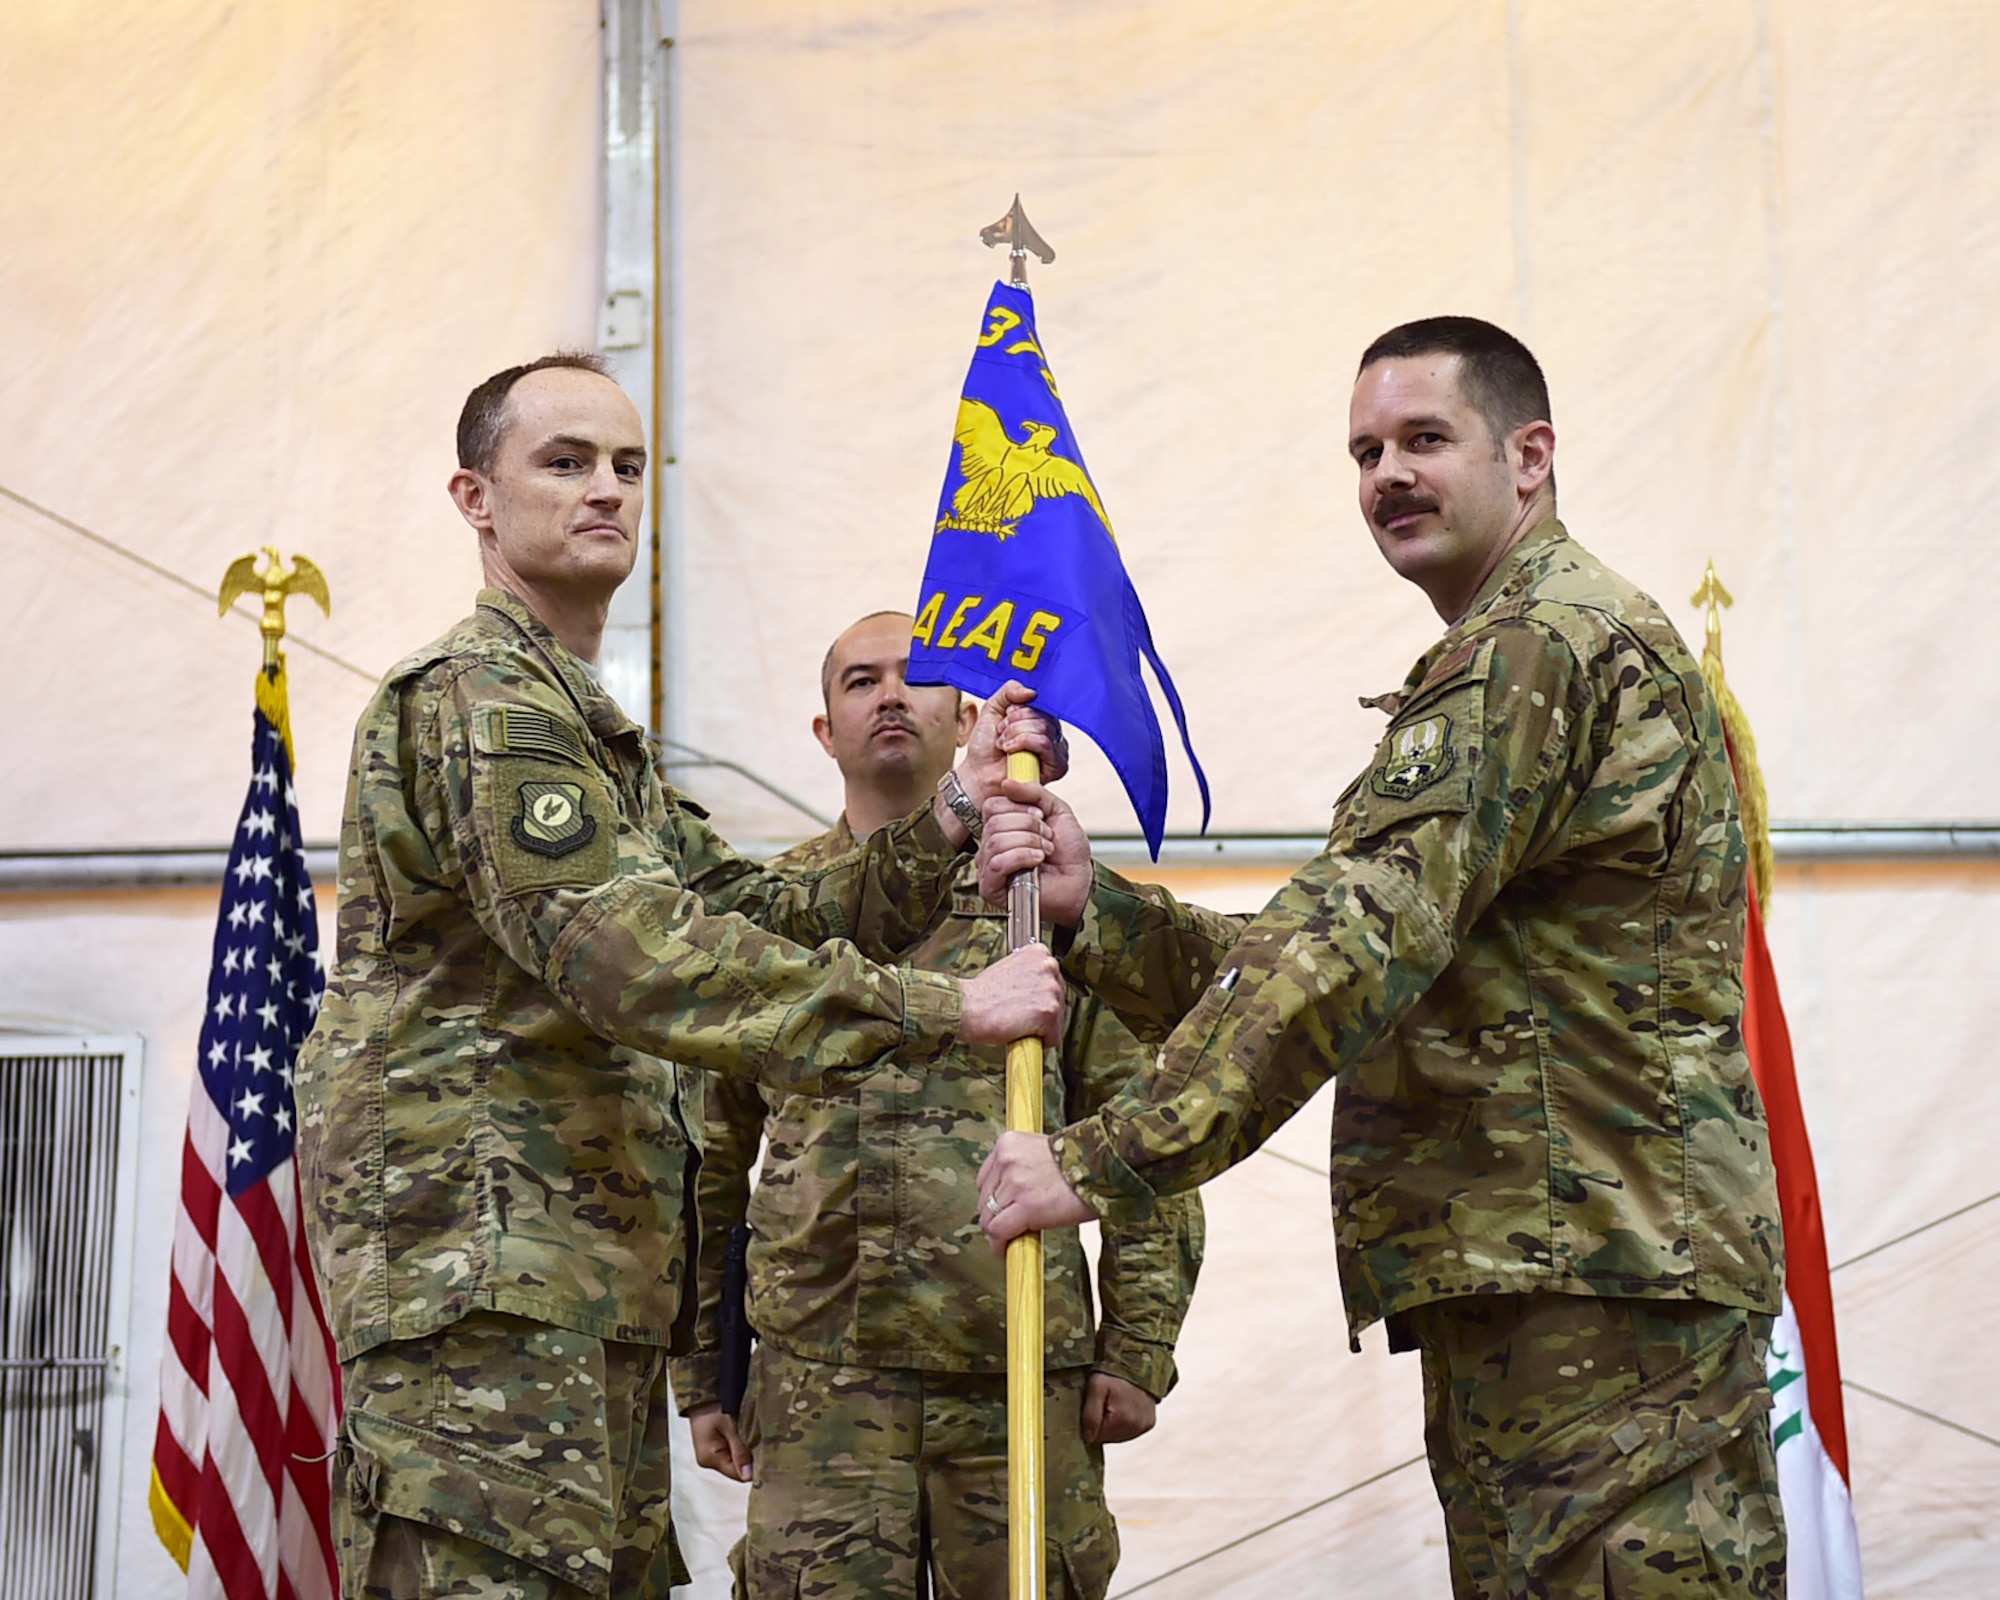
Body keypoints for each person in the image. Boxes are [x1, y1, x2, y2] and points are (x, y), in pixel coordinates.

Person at [975, 318, 1788, 1599]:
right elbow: (1392, 964)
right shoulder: (1513, 648)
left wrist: (1099, 1157)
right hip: (1554, 1264)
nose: (1386, 477)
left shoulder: (1534, 647)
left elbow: (1354, 941)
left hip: (1595, 1277)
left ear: (1529, 456)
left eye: (1423, 439)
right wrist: (1101, 916)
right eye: (1364, 452)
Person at [295, 352, 1067, 1600]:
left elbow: (756, 906)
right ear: (474, 498)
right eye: (562, 462)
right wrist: (945, 1004)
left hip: (577, 1274)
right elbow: (628, 952)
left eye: (625, 465)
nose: (605, 490)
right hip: (484, 1279)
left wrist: (953, 814)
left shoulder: (593, 734)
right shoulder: (481, 698)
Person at [677, 611, 1204, 1599]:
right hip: (817, 1377)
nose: (886, 696)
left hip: (1013, 1368)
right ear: (822, 730)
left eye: (911, 677)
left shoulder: (1036, 896)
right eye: (857, 681)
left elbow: (1145, 1128)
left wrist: (1137, 1343)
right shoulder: (769, 914)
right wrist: (702, 1368)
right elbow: (706, 1154)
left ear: (963, 713)